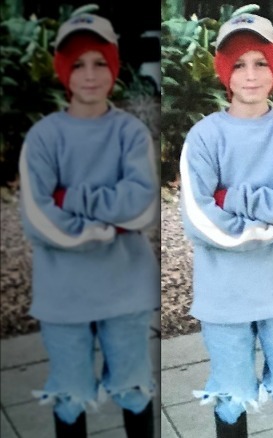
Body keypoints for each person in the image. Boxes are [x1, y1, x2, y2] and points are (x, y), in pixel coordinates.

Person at [178, 13, 273, 438]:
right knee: (230, 394)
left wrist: (234, 198)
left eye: (260, 62)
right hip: (223, 294)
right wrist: (271, 227)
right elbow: (201, 221)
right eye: (239, 63)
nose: (250, 75)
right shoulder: (204, 138)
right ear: (224, 71)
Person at [18, 13, 159, 437]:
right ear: (64, 70)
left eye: (100, 62)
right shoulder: (42, 138)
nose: (90, 75)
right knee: (70, 394)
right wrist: (103, 226)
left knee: (134, 389)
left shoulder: (131, 133)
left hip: (125, 288)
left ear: (115, 67)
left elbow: (142, 210)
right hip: (64, 294)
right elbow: (39, 219)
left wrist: (71, 198)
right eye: (78, 63)